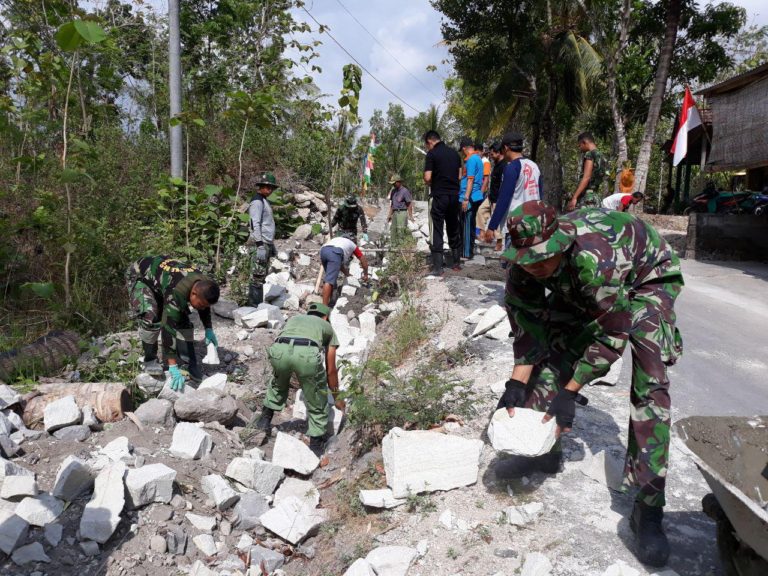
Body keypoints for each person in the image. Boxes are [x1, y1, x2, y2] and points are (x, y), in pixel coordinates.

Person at [497, 200, 684, 567]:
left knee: (651, 386)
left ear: (561, 245)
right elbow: (529, 330)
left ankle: (648, 508)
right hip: (587, 285)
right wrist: (516, 383)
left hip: (644, 276)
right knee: (551, 355)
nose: (534, 266)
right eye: (527, 260)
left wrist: (571, 391)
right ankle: (544, 450)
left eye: (541, 258)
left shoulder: (594, 260)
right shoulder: (527, 265)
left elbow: (611, 336)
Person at [250, 302, 343, 456]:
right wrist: (337, 397)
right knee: (316, 395)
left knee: (278, 383)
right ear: (326, 317)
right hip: (306, 355)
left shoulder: (295, 319)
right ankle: (316, 444)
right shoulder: (327, 327)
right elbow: (331, 369)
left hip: (279, 351)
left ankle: (264, 421)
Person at [125, 256, 220, 391]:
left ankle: (189, 362)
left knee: (184, 322)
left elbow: (205, 305)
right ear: (193, 294)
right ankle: (150, 359)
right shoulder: (178, 290)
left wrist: (208, 328)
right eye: (201, 304)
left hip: (163, 280)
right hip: (140, 275)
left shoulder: (205, 284)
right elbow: (168, 327)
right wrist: (172, 366)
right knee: (150, 317)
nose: (202, 308)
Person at [481, 132, 541, 246]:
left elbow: (504, 198)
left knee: (510, 262)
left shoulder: (511, 167)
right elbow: (540, 194)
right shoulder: (534, 166)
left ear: (506, 148)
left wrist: (492, 226)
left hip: (516, 225)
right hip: (534, 223)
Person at [423, 130, 462, 275]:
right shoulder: (455, 154)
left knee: (437, 229)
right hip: (454, 196)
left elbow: (427, 177)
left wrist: (437, 180)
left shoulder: (432, 154)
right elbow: (459, 175)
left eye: (426, 145)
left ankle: (438, 268)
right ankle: (456, 263)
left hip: (439, 195)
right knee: (453, 228)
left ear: (429, 141)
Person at [247, 172, 279, 306]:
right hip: (260, 243)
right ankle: (254, 306)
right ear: (261, 186)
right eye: (267, 187)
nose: (270, 190)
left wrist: (271, 245)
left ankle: (257, 305)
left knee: (261, 275)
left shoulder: (263, 201)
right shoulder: (257, 201)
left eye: (271, 187)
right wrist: (260, 244)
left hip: (266, 242)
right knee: (257, 276)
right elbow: (255, 223)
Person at [319, 233, 369, 305]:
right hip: (335, 252)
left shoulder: (337, 240)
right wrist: (366, 274)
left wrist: (347, 274)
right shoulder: (352, 244)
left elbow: (338, 264)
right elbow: (363, 259)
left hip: (323, 251)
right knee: (329, 281)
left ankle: (330, 302)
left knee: (330, 278)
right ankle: (324, 309)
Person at [476, 142, 507, 251]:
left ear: (499, 153)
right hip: (490, 196)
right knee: (480, 210)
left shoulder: (504, 165)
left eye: (493, 154)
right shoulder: (496, 164)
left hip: (497, 198)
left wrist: (499, 199)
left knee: (496, 220)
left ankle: (499, 242)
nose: (491, 156)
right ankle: (482, 233)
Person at [458, 137, 485, 259]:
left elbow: (470, 180)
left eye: (462, 150)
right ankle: (468, 250)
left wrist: (465, 198)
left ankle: (467, 253)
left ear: (464, 148)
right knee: (469, 224)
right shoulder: (476, 158)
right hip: (474, 195)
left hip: (470, 197)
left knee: (467, 225)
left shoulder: (473, 159)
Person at [567, 132, 607, 211]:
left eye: (580, 145)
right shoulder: (602, 156)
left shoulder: (590, 154)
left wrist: (574, 197)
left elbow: (586, 177)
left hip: (587, 198)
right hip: (595, 196)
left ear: (584, 142)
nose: (580, 148)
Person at [387, 174, 413, 246]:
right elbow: (392, 204)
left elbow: (409, 204)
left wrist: (411, 216)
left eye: (394, 183)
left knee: (400, 231)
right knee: (393, 230)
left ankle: (401, 247)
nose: (393, 185)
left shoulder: (405, 191)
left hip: (402, 213)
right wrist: (389, 215)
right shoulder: (393, 191)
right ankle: (393, 247)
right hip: (395, 213)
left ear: (399, 182)